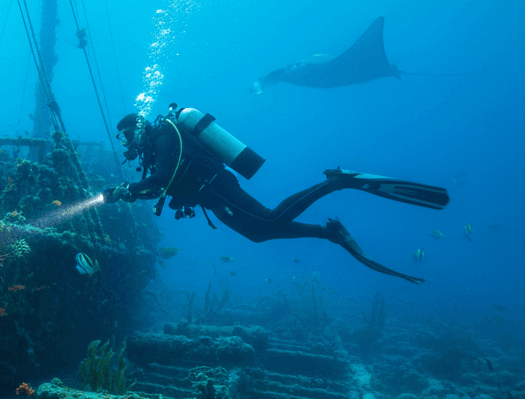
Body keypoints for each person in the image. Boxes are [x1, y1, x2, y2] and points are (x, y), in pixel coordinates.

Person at [103, 109, 449, 284]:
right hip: (210, 196)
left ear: (136, 130)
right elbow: (165, 185)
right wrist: (131, 195)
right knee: (257, 233)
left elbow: (163, 177)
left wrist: (129, 190)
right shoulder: (157, 146)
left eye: (125, 138)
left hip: (217, 188)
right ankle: (328, 232)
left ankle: (336, 183)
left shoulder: (164, 137)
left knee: (268, 219)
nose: (126, 147)